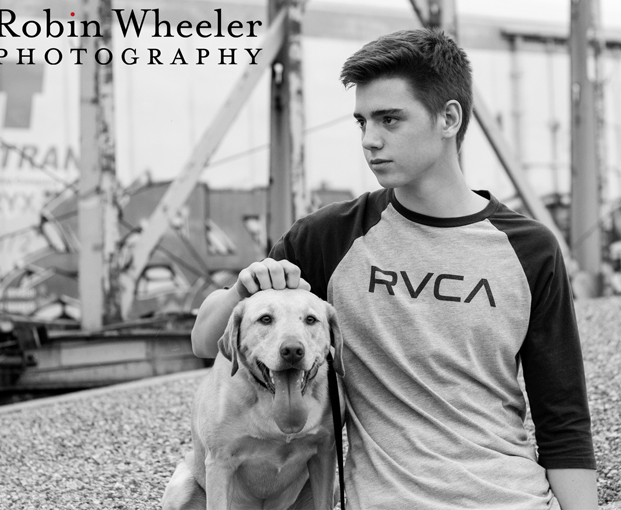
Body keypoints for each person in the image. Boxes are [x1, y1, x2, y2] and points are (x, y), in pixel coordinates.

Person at [192, 28, 597, 509]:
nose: (369, 139)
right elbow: (203, 342)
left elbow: (563, 418)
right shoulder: (331, 238)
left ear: (448, 118)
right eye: (362, 121)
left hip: (513, 498)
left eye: (389, 120)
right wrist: (242, 289)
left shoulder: (530, 250)